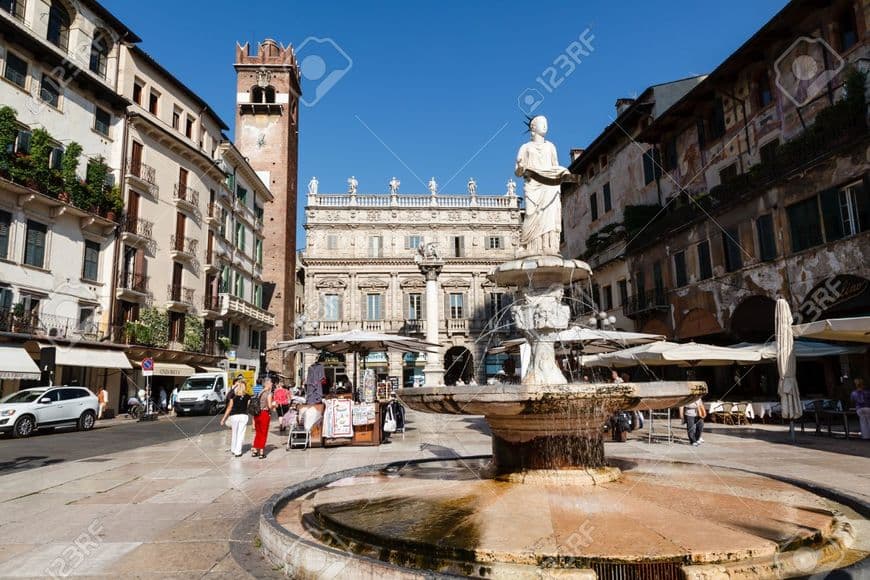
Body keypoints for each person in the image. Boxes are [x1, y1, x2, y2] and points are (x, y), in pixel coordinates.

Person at [515, 115, 571, 256]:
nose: (545, 126)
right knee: (530, 214)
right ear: (533, 127)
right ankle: (527, 245)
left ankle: (548, 245)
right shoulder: (525, 147)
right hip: (533, 185)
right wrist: (521, 167)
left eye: (546, 123)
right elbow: (517, 171)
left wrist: (563, 172)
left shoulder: (551, 146)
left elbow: (555, 166)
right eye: (542, 123)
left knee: (549, 215)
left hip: (549, 185)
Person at [220, 379, 250, 457]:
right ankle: (238, 451)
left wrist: (223, 419)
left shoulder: (233, 396)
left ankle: (233, 449)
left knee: (234, 433)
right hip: (243, 416)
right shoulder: (248, 396)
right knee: (240, 434)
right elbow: (247, 407)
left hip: (234, 416)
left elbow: (229, 407)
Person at [251, 379, 275, 458]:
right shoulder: (268, 394)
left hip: (257, 414)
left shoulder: (259, 393)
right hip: (264, 414)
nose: (272, 384)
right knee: (264, 432)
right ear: (267, 384)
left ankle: (255, 450)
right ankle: (261, 451)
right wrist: (274, 405)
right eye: (271, 383)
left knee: (258, 432)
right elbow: (269, 406)